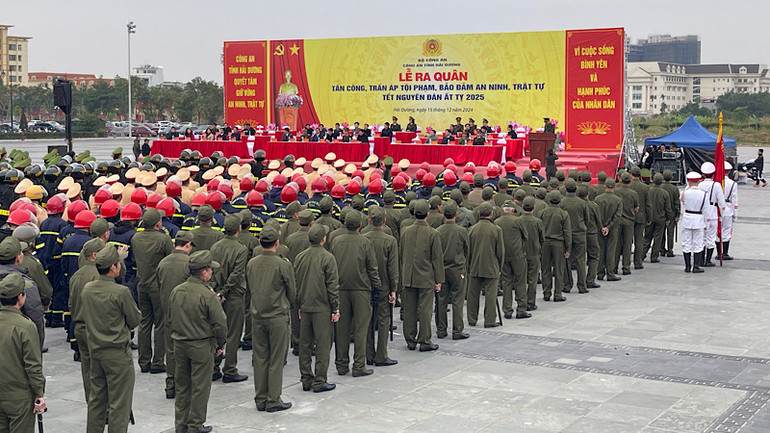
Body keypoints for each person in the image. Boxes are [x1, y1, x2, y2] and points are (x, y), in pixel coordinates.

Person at [81, 245, 141, 433]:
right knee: (119, 403)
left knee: (97, 400)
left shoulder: (88, 289)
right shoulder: (120, 292)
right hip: (117, 353)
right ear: (113, 268)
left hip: (96, 351)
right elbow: (134, 319)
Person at [169, 250, 227, 433]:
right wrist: (220, 343)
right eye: (210, 269)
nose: (212, 273)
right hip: (201, 345)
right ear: (203, 272)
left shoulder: (176, 291)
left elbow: (169, 318)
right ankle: (195, 425)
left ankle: (181, 424)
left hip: (179, 343)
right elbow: (220, 323)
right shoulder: (207, 294)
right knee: (200, 387)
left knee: (183, 386)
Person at [246, 226, 295, 412]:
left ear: (259, 242)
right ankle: (273, 399)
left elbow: (250, 288)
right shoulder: (283, 264)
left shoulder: (252, 263)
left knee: (260, 357)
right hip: (277, 316)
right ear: (277, 243)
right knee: (276, 358)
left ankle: (260, 398)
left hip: (257, 315)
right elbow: (292, 291)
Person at [330, 210, 381, 375]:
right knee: (361, 329)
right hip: (361, 289)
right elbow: (372, 268)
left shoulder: (336, 241)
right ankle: (359, 365)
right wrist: (377, 287)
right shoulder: (365, 242)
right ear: (360, 224)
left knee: (342, 329)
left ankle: (341, 364)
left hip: (341, 289)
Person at [295, 224, 340, 392]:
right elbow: (332, 286)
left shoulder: (300, 257)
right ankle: (320, 380)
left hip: (305, 305)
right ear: (323, 239)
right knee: (323, 344)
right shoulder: (328, 258)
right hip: (322, 307)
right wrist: (335, 308)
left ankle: (306, 378)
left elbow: (297, 282)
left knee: (305, 344)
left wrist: (299, 304)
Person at [0, 273, 46, 432]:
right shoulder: (25, 326)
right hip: (19, 396)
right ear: (20, 297)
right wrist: (39, 393)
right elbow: (32, 365)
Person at [131, 208, 174, 374]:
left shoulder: (136, 238)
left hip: (142, 284)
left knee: (144, 323)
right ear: (158, 223)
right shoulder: (164, 239)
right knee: (161, 323)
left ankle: (144, 361)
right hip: (158, 286)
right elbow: (170, 261)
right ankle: (157, 361)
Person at [209, 215, 249, 383]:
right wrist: (225, 291)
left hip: (217, 293)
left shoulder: (215, 247)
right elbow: (237, 273)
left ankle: (214, 367)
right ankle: (230, 369)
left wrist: (217, 292)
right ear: (238, 229)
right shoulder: (241, 249)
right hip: (233, 295)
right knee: (233, 333)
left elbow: (212, 270)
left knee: (217, 330)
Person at [400, 199, 444, 348]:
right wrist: (439, 279)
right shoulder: (433, 233)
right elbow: (437, 259)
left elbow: (402, 254)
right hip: (425, 276)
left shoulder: (405, 231)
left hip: (408, 276)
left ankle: (410, 340)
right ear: (428, 214)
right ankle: (424, 340)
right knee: (425, 310)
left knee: (409, 310)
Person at [157, 231, 194, 400]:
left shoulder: (163, 263)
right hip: (187, 314)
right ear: (187, 245)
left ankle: (170, 384)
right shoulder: (190, 263)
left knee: (170, 350)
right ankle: (183, 385)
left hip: (168, 312)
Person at [363, 206, 399, 366]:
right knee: (384, 320)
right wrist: (394, 288)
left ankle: (368, 354)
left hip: (366, 285)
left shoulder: (362, 237)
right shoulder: (390, 240)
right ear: (384, 221)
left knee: (368, 319)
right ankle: (381, 355)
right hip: (384, 285)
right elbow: (392, 268)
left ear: (369, 219)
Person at [435, 200, 470, 339]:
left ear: (443, 214)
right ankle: (457, 331)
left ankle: (441, 330)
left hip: (441, 270)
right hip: (457, 270)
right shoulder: (462, 231)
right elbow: (468, 251)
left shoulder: (437, 231)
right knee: (457, 301)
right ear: (456, 214)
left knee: (441, 301)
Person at [467, 202, 504, 326]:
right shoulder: (496, 230)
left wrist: (469, 266)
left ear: (479, 213)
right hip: (491, 266)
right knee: (490, 295)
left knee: (473, 295)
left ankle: (472, 319)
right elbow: (500, 252)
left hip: (475, 266)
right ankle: (489, 320)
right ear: (491, 213)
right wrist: (499, 266)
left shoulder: (472, 229)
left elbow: (468, 251)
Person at [496, 200, 530, 319]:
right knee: (520, 281)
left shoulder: (497, 222)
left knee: (506, 282)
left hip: (504, 256)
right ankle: (521, 309)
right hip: (517, 255)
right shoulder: (518, 220)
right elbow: (525, 236)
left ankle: (507, 309)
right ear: (513, 210)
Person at [559, 179, 590, 294]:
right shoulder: (582, 203)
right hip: (580, 234)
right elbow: (587, 218)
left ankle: (567, 285)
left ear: (565, 189)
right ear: (576, 189)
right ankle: (582, 286)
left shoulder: (562, 203)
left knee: (567, 259)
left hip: (566, 235)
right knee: (581, 260)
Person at [540, 191, 571, 302]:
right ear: (560, 201)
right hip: (559, 244)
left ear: (549, 200)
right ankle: (558, 294)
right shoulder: (564, 214)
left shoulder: (543, 213)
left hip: (545, 243)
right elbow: (567, 232)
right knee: (559, 269)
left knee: (545, 269)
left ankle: (546, 293)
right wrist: (568, 248)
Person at [698, 162, 727, 267]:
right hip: (713, 212)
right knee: (711, 237)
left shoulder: (700, 184)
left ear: (703, 174)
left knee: (702, 237)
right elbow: (721, 202)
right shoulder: (717, 185)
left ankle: (700, 260)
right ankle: (708, 260)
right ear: (713, 174)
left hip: (702, 213)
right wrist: (722, 215)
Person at [595, 179, 623, 282]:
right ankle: (610, 273)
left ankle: (600, 273)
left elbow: (595, 214)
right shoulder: (618, 200)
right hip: (613, 229)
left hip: (599, 228)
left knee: (600, 250)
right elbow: (617, 216)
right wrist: (609, 227)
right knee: (611, 251)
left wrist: (601, 227)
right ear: (614, 187)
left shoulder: (598, 199)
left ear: (604, 187)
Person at [643, 173, 673, 263]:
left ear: (653, 181)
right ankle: (654, 257)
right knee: (658, 238)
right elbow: (668, 208)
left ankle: (641, 255)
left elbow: (645, 205)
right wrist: (668, 219)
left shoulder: (648, 191)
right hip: (661, 218)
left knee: (647, 237)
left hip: (650, 218)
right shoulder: (665, 193)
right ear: (662, 180)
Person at [681, 172, 707, 273]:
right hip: (698, 218)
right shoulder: (704, 193)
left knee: (686, 243)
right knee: (698, 243)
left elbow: (682, 200)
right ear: (699, 180)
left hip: (687, 218)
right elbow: (706, 209)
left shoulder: (684, 192)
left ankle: (687, 266)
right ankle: (696, 266)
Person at [719, 161, 738, 260]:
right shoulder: (732, 184)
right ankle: (724, 253)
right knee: (726, 231)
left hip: (718, 208)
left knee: (718, 231)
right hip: (728, 208)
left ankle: (719, 253)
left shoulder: (717, 182)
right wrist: (735, 214)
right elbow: (734, 200)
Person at [660, 170, 681, 258]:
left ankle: (661, 249)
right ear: (672, 178)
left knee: (661, 232)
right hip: (671, 213)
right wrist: (677, 214)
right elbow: (677, 203)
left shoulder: (659, 187)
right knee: (670, 233)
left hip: (661, 213)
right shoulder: (674, 189)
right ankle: (670, 250)